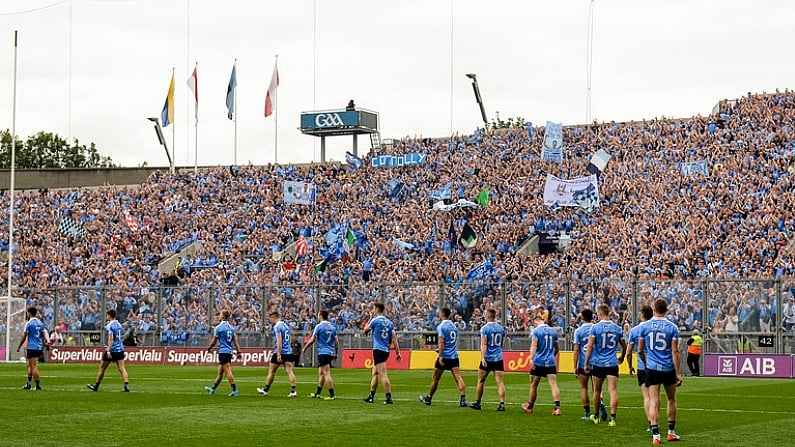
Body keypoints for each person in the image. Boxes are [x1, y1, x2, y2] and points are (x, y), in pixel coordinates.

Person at [639, 298, 682, 444]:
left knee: (654, 401)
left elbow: (640, 349)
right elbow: (675, 352)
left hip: (652, 368)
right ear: (667, 309)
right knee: (671, 399)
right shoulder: (672, 327)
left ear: (654, 309)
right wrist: (678, 373)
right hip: (668, 367)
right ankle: (671, 433)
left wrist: (646, 363)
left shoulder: (645, 327)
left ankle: (656, 436)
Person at [584, 303, 626, 427]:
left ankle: (596, 416)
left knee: (597, 391)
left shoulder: (595, 328)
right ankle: (612, 419)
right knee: (613, 391)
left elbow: (590, 346)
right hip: (612, 363)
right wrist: (622, 357)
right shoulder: (617, 328)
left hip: (598, 363)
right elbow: (625, 346)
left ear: (600, 313)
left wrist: (586, 363)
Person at [418, 307, 467, 407]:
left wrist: (440, 355)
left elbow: (441, 342)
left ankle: (428, 398)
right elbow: (451, 342)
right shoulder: (454, 326)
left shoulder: (441, 327)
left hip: (444, 356)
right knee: (458, 378)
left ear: (442, 314)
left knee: (435, 378)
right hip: (454, 356)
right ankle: (463, 400)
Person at [522, 313, 561, 415]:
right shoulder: (553, 331)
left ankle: (530, 406)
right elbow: (557, 348)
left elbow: (534, 346)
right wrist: (552, 355)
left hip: (539, 361)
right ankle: (557, 408)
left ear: (536, 322)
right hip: (551, 361)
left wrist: (531, 359)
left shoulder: (536, 331)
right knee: (553, 384)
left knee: (533, 384)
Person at [363, 302, 402, 404]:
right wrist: (398, 352)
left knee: (383, 375)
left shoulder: (375, 321)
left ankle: (388, 397)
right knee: (375, 373)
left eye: (373, 309)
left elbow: (365, 330)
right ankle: (371, 396)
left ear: (376, 309)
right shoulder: (389, 323)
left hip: (378, 350)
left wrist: (370, 318)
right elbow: (394, 338)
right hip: (385, 350)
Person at [470, 308, 506, 411]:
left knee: (481, 380)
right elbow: (501, 343)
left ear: (488, 316)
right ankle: (502, 404)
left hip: (488, 358)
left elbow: (484, 344)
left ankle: (478, 403)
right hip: (498, 358)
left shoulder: (484, 329)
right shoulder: (501, 328)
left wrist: (482, 358)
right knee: (500, 382)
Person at [573, 308, 606, 421]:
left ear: (582, 318)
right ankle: (600, 402)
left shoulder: (578, 331)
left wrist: (575, 366)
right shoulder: (596, 328)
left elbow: (576, 350)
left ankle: (587, 413)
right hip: (596, 362)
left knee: (584, 388)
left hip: (583, 363)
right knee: (597, 389)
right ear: (592, 317)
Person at [626, 304, 654, 432]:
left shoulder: (635, 330)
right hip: (657, 366)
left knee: (646, 396)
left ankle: (651, 424)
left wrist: (630, 366)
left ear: (642, 315)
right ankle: (655, 421)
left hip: (642, 367)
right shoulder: (656, 328)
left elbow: (628, 352)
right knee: (655, 396)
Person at [87, 309, 130, 392]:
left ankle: (96, 386)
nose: (107, 317)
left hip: (112, 349)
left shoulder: (110, 325)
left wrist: (109, 351)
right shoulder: (119, 324)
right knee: (122, 368)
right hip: (120, 348)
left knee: (102, 368)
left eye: (107, 315)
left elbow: (111, 339)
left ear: (109, 316)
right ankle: (126, 385)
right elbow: (121, 336)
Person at [257, 311, 298, 397]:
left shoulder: (277, 326)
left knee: (271, 371)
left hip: (280, 351)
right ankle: (293, 391)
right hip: (288, 351)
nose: (270, 320)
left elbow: (279, 340)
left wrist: (279, 353)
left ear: (274, 318)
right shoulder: (286, 326)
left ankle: (265, 390)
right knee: (289, 371)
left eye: (270, 319)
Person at [302, 310, 339, 400]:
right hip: (330, 352)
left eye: (318, 315)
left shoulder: (319, 326)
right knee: (321, 373)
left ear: (321, 316)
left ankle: (332, 395)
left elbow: (312, 339)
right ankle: (317, 393)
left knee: (326, 373)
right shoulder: (332, 327)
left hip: (323, 352)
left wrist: (305, 347)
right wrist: (336, 353)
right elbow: (336, 341)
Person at [204, 309, 243, 397]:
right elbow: (235, 342)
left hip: (223, 351)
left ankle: (235, 390)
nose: (219, 316)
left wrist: (209, 348)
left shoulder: (218, 328)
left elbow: (214, 341)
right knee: (220, 372)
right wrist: (239, 352)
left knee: (228, 371)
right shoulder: (231, 328)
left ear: (223, 317)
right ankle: (213, 388)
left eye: (220, 314)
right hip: (229, 352)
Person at [16, 307, 46, 391]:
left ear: (29, 313)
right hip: (39, 347)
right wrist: (43, 346)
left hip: (32, 347)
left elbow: (24, 335)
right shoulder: (40, 323)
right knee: (29, 365)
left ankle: (38, 385)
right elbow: (43, 335)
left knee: (33, 366)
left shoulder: (29, 323)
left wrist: (19, 346)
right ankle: (28, 384)